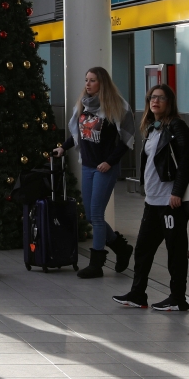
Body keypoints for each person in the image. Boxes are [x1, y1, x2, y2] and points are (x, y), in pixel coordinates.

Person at [113, 84, 189, 311]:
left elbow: (185, 160)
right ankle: (138, 294)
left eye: (161, 98)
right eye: (151, 98)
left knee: (175, 250)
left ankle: (178, 298)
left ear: (170, 102)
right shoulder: (152, 128)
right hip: (153, 201)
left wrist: (177, 192)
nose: (155, 101)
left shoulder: (177, 126)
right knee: (143, 249)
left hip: (170, 201)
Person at [54, 66, 136, 279]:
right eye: (86, 80)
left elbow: (126, 140)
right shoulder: (84, 105)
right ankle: (121, 248)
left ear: (102, 83)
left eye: (92, 80)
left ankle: (96, 264)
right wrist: (63, 147)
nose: (87, 84)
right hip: (88, 165)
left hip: (104, 167)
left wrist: (110, 162)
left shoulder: (116, 106)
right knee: (90, 215)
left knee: (97, 215)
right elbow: (79, 133)